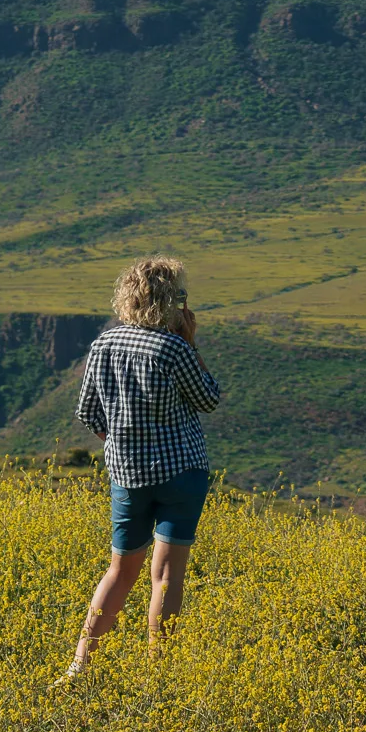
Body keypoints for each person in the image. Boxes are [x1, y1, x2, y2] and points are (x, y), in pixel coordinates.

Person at [58, 255, 221, 680]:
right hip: (181, 472)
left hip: (127, 475)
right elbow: (208, 399)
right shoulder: (173, 349)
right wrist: (192, 344)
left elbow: (88, 413)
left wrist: (121, 444)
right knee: (165, 575)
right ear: (169, 302)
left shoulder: (103, 345)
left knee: (120, 569)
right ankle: (157, 672)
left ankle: (80, 664)